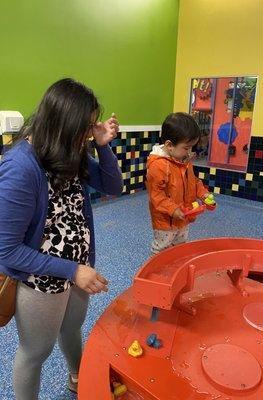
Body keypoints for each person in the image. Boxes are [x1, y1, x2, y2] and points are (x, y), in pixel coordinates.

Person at [0, 78, 123, 399]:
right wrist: (73, 271)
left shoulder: (70, 153)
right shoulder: (21, 168)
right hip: (40, 282)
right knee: (35, 353)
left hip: (77, 271)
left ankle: (77, 377)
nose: (88, 133)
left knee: (71, 329)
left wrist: (103, 144)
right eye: (85, 127)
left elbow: (113, 187)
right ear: (62, 124)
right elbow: (6, 250)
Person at [146, 112, 209, 254]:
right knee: (161, 250)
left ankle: (174, 271)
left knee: (179, 247)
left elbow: (193, 181)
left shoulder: (183, 160)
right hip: (165, 221)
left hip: (183, 215)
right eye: (186, 148)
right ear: (169, 145)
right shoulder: (158, 165)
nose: (189, 152)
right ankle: (155, 274)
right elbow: (156, 195)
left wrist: (203, 194)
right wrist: (173, 210)